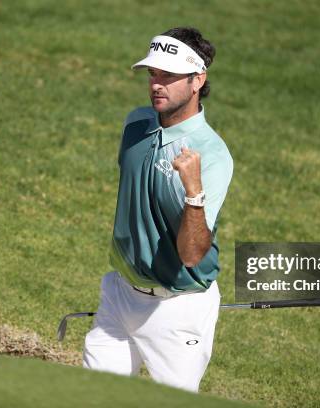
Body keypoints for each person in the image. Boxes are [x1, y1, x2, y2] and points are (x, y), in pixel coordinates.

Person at [82, 27, 233, 393]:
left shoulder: (211, 155)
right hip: (120, 294)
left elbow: (193, 253)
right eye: (153, 73)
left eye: (169, 75)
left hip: (178, 309)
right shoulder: (136, 123)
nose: (156, 84)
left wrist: (192, 190)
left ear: (198, 80)